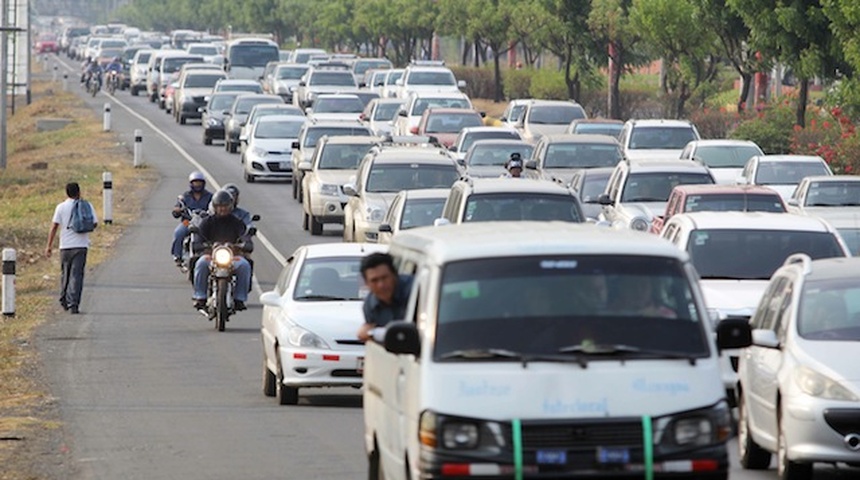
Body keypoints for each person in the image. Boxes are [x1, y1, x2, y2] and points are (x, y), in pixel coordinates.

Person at [192, 190, 251, 311]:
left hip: (232, 256)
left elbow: (244, 236)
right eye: (219, 206)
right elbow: (199, 238)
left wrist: (245, 243)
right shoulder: (207, 222)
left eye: (225, 206)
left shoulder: (237, 223)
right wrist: (200, 244)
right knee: (201, 263)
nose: (222, 209)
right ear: (214, 207)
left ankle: (240, 298)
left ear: (230, 206)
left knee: (245, 265)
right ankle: (200, 296)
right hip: (211, 255)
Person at [45, 182, 99, 314]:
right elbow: (94, 223)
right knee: (77, 275)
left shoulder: (61, 207)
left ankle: (64, 298)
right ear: (79, 192)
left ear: (66, 193)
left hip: (65, 246)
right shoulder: (87, 205)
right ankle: (74, 303)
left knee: (65, 273)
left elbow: (54, 227)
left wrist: (49, 245)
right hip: (81, 245)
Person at [357, 252, 414, 342]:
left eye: (385, 278)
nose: (381, 285)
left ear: (394, 275)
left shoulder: (415, 291)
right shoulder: (370, 306)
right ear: (367, 283)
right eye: (374, 280)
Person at [171, 171, 213, 266]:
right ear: (191, 184)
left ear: (203, 183)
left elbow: (215, 208)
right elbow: (177, 209)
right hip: (188, 221)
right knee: (179, 232)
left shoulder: (210, 197)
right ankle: (177, 255)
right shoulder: (185, 196)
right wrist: (177, 210)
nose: (197, 185)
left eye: (199, 182)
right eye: (195, 182)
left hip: (204, 222)